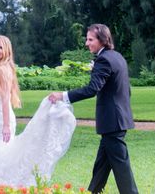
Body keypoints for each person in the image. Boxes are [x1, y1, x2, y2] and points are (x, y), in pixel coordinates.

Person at [49, 24, 139, 194]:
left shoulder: (103, 60)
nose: (86, 43)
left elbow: (92, 89)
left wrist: (63, 95)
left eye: (90, 39)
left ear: (102, 40)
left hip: (113, 122)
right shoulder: (117, 56)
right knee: (101, 167)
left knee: (122, 168)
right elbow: (125, 90)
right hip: (117, 120)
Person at [0, 35, 76, 187]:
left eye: (0, 47)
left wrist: (5, 125)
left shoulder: (2, 69)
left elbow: (5, 99)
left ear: (6, 51)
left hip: (1, 119)